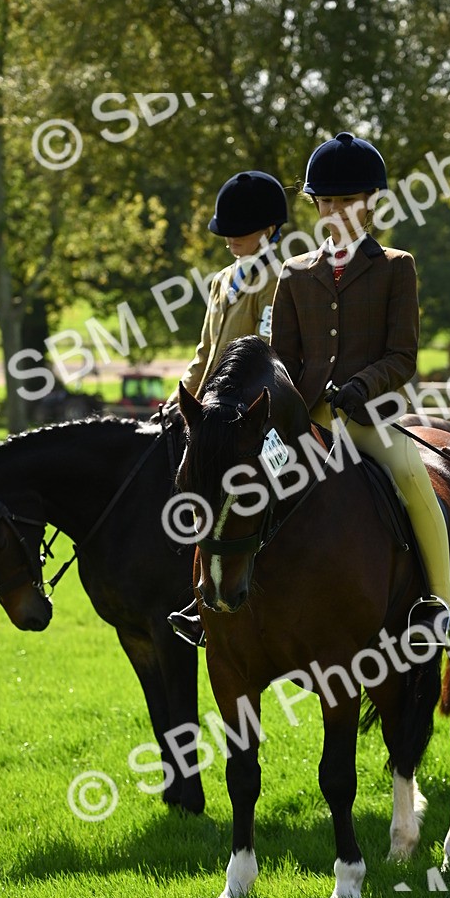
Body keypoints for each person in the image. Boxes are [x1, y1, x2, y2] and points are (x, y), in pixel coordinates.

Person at [271, 131, 450, 647]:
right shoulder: (293, 273)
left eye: (347, 201)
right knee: (244, 480)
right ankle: (214, 599)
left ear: (371, 203)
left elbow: (402, 355)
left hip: (369, 414)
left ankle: (438, 603)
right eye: (326, 201)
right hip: (307, 416)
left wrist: (362, 384)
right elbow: (283, 358)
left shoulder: (396, 267)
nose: (336, 211)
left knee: (410, 474)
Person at [168, 169, 288, 645]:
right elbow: (205, 350)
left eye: (241, 233)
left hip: (249, 409)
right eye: (228, 233)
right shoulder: (220, 281)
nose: (231, 241)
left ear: (270, 230)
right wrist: (181, 401)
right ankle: (198, 601)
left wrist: (231, 409)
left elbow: (264, 346)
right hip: (211, 410)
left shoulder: (277, 278)